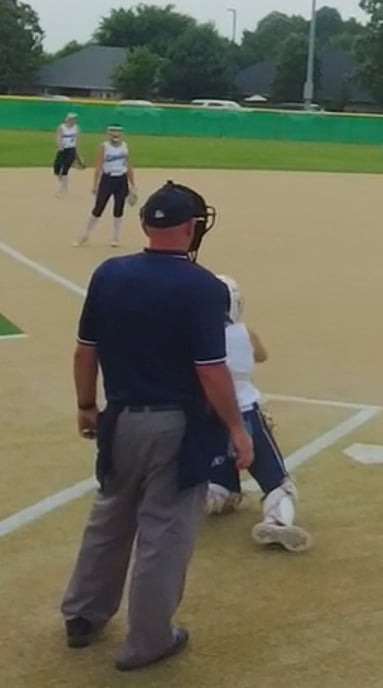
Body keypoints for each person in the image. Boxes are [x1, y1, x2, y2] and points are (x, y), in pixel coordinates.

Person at [59, 181, 253, 673]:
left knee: (109, 516)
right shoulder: (203, 287)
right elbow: (210, 370)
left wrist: (86, 405)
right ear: (190, 228)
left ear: (146, 224)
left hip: (120, 417)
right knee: (164, 532)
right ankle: (148, 639)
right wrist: (236, 428)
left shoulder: (109, 273)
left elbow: (85, 351)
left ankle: (82, 613)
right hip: (175, 425)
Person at [202, 274, 311, 553]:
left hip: (208, 418)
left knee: (218, 485)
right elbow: (261, 355)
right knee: (279, 485)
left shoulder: (193, 338)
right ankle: (277, 520)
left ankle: (213, 498)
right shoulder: (244, 334)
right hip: (245, 416)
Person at [78, 126, 137, 247]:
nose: (115, 135)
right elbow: (98, 166)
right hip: (107, 180)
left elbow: (128, 166)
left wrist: (133, 184)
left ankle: (116, 237)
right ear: (108, 134)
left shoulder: (124, 146)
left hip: (121, 180)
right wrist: (95, 185)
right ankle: (85, 234)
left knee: (119, 208)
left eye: (118, 133)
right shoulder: (104, 147)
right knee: (98, 207)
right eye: (112, 133)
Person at [53, 113, 83, 197]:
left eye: (74, 119)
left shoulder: (76, 128)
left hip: (71, 149)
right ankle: (62, 181)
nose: (72, 120)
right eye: (71, 119)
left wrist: (77, 153)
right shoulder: (61, 127)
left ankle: (63, 187)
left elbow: (77, 140)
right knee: (57, 166)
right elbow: (58, 137)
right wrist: (60, 146)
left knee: (66, 167)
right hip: (62, 149)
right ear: (66, 119)